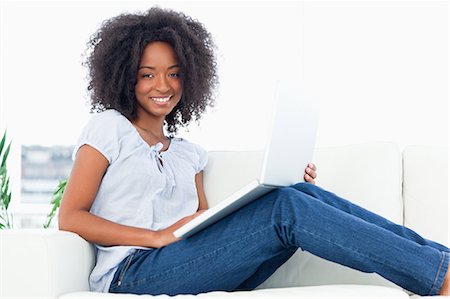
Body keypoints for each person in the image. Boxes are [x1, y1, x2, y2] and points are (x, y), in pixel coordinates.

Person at [58, 7, 450, 297]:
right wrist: (154, 237)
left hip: (189, 266)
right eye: (148, 74)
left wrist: (262, 189)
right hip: (133, 275)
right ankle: (440, 275)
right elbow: (71, 216)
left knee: (297, 194)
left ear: (190, 76)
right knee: (287, 209)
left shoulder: (189, 153)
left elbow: (198, 218)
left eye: (174, 73)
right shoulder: (108, 128)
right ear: (126, 76)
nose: (163, 85)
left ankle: (441, 261)